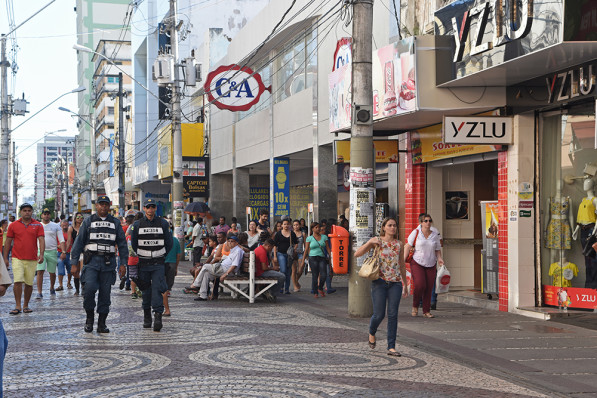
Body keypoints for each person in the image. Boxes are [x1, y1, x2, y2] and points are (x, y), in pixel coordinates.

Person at [70, 195, 128, 333]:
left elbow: (122, 244)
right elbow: (78, 243)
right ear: (97, 206)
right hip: (91, 262)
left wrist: (123, 264)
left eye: (106, 204)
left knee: (105, 294)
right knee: (89, 290)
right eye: (101, 204)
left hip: (108, 264)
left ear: (109, 206)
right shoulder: (88, 221)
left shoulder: (115, 222)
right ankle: (89, 319)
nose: (103, 207)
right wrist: (74, 263)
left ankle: (102, 323)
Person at [355, 217, 408, 356]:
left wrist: (406, 284)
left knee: (393, 314)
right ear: (384, 227)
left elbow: (401, 264)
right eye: (390, 225)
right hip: (379, 281)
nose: (393, 228)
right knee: (379, 314)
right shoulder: (377, 242)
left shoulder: (399, 244)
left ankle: (391, 346)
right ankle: (372, 332)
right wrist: (369, 242)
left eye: (395, 225)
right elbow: (357, 254)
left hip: (395, 283)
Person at [130, 199, 173, 332]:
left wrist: (160, 255)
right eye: (148, 207)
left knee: (157, 290)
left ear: (155, 208)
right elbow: (133, 243)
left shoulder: (163, 223)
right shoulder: (137, 224)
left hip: (158, 263)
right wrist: (143, 254)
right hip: (143, 263)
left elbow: (169, 242)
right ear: (144, 208)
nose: (150, 209)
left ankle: (158, 317)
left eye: (152, 207)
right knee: (146, 291)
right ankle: (147, 317)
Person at [3, 203, 45, 315]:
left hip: (32, 258)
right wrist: (5, 258)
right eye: (25, 210)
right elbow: (8, 242)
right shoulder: (13, 225)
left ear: (32, 212)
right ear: (20, 212)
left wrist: (42, 254)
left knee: (29, 283)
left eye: (29, 210)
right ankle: (18, 305)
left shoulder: (38, 225)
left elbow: (41, 240)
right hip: (17, 258)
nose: (27, 212)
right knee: (17, 281)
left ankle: (26, 305)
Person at [404, 213, 443, 318]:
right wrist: (403, 259)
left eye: (430, 221)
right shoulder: (416, 233)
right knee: (420, 285)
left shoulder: (434, 234)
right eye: (425, 221)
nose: (428, 223)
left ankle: (426, 311)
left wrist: (439, 258)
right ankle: (415, 306)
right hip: (417, 262)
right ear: (421, 222)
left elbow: (438, 249)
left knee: (429, 287)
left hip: (431, 263)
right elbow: (408, 246)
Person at [193, 234, 243, 301]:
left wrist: (225, 274)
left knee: (205, 266)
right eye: (229, 241)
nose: (230, 243)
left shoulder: (237, 251)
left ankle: (196, 285)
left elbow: (234, 265)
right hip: (221, 268)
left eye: (232, 241)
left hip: (225, 270)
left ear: (236, 243)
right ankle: (203, 295)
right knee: (206, 274)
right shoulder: (233, 250)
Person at [37, 208, 66, 297]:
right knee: (40, 271)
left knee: (52, 273)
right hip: (40, 251)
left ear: (50, 215)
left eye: (48, 214)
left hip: (52, 251)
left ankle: (51, 287)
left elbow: (61, 239)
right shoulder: (38, 226)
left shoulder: (55, 226)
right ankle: (39, 292)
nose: (46, 215)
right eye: (44, 214)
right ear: (41, 215)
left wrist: (63, 251)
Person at [299, 222, 331, 298]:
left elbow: (327, 248)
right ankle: (315, 292)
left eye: (318, 227)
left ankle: (320, 288)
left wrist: (331, 256)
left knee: (324, 274)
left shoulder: (324, 237)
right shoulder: (309, 238)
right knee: (315, 275)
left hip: (322, 257)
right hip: (312, 257)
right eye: (316, 227)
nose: (318, 229)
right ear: (312, 229)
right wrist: (303, 260)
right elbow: (306, 250)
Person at [272, 219, 298, 294]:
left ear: (290, 225)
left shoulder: (292, 234)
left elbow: (296, 243)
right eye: (284, 224)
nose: (286, 225)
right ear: (282, 225)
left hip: (289, 255)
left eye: (287, 224)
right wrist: (275, 256)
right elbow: (275, 245)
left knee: (288, 271)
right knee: (283, 270)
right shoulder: (278, 234)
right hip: (280, 253)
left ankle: (287, 288)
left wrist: (294, 250)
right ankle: (281, 287)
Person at [163, 228, 181, 316]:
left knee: (163, 281)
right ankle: (167, 291)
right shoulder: (175, 240)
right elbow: (178, 255)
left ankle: (164, 292)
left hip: (163, 263)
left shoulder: (162, 240)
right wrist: (176, 266)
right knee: (170, 280)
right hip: (172, 263)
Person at [68, 212, 84, 295]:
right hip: (74, 252)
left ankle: (83, 288)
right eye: (78, 217)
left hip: (83, 252)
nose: (80, 218)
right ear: (75, 218)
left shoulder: (85, 228)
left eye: (81, 217)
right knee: (75, 272)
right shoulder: (71, 229)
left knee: (83, 270)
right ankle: (77, 289)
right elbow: (69, 242)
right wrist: (65, 251)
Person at [56, 220, 72, 291]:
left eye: (66, 225)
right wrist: (62, 247)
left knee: (70, 269)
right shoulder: (58, 234)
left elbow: (72, 243)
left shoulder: (70, 233)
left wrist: (65, 247)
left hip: (69, 253)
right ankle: (60, 285)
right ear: (60, 226)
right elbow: (55, 244)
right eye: (63, 225)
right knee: (60, 268)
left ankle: (69, 283)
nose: (65, 227)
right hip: (60, 253)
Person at [291, 220, 306, 292]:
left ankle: (296, 280)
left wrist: (306, 254)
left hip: (300, 253)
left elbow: (306, 245)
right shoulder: (291, 233)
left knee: (300, 269)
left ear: (300, 225)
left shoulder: (303, 234)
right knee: (294, 270)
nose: (296, 226)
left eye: (297, 225)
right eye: (294, 225)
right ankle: (295, 286)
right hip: (293, 253)